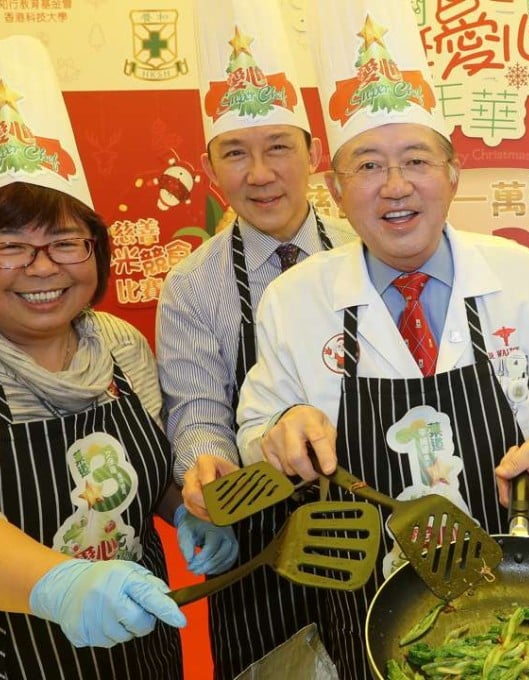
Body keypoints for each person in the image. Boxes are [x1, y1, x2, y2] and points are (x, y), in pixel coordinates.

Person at [227, 1, 529, 676]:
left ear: (453, 174)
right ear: (334, 187)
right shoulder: (293, 301)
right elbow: (254, 423)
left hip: (517, 610)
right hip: (368, 614)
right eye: (367, 166)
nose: (395, 187)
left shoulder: (524, 277)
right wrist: (278, 429)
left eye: (416, 160)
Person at [0, 35, 235, 678]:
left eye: (64, 242)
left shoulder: (119, 343)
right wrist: (56, 584)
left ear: (96, 251)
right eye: (10, 246)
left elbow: (146, 473)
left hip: (142, 646)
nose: (40, 267)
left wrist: (183, 509)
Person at [155, 2, 356, 678]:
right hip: (261, 542)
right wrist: (206, 464)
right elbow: (197, 407)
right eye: (235, 153)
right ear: (211, 169)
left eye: (278, 147)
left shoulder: (369, 252)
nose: (260, 173)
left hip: (369, 514)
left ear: (313, 153)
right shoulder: (191, 285)